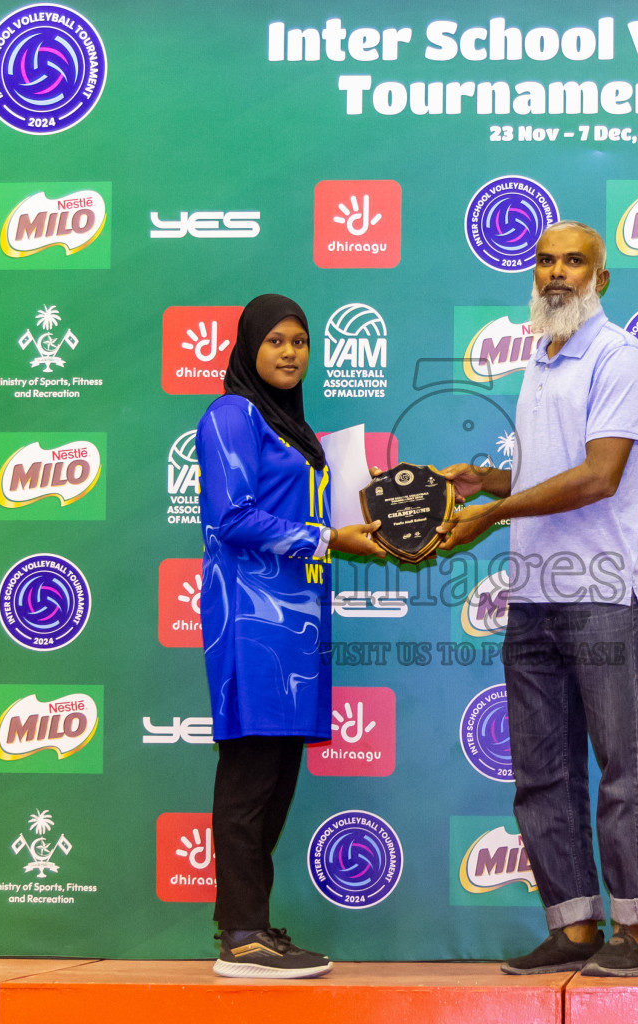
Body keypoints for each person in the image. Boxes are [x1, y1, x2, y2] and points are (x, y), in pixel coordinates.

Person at [436, 222, 638, 977]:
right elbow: (552, 465)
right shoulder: (543, 353)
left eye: (574, 261)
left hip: (602, 589)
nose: (556, 273)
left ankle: (634, 937)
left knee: (621, 768)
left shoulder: (618, 353)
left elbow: (599, 475)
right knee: (542, 771)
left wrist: (494, 514)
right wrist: (486, 480)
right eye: (545, 261)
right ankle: (573, 927)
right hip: (532, 592)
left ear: (602, 278)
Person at [196, 293, 382, 979]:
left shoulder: (293, 427)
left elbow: (312, 511)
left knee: (276, 779)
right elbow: (232, 518)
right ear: (248, 348)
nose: (289, 352)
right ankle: (240, 933)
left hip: (297, 620)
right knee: (249, 776)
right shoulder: (231, 415)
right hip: (248, 619)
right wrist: (329, 535)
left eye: (300, 341)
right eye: (274, 340)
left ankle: (251, 925)